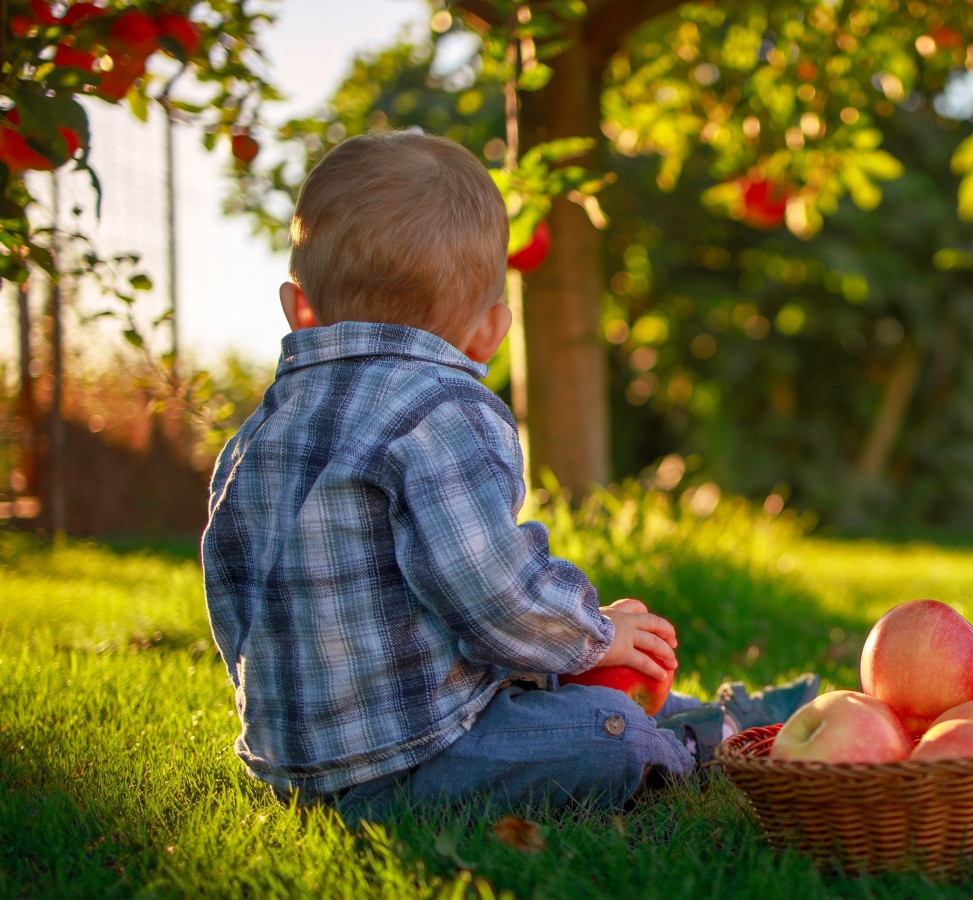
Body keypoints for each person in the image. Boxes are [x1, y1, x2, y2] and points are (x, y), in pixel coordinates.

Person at [199, 130, 815, 814]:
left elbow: (232, 603)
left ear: (300, 309)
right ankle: (710, 740)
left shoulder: (254, 439)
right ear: (490, 330)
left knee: (552, 686)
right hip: (419, 760)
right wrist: (597, 633)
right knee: (606, 735)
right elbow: (495, 596)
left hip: (291, 771)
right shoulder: (440, 412)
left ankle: (712, 713)